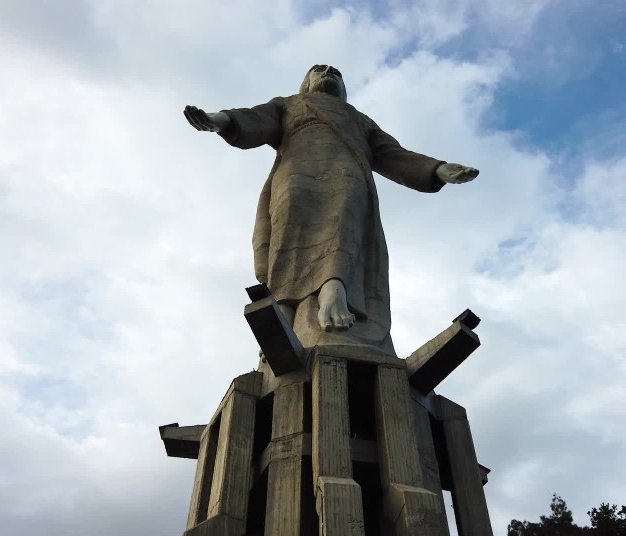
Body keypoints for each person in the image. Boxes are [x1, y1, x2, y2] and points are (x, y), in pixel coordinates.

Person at [184, 64, 478, 354]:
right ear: (306, 81)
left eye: (336, 72)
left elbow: (392, 154)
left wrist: (437, 169)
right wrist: (217, 120)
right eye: (319, 70)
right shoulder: (289, 105)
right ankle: (283, 309)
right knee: (287, 234)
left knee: (342, 221)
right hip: (295, 174)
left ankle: (333, 288)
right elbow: (254, 119)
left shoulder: (357, 119)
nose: (328, 73)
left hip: (346, 171)